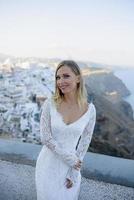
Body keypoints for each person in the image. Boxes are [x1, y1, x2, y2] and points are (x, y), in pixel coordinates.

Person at [35, 60, 96, 200]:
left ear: (78, 78)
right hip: (47, 166)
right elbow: (45, 138)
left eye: (66, 76)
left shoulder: (90, 110)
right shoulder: (49, 104)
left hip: (70, 169)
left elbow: (85, 142)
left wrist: (74, 172)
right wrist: (70, 158)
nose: (60, 81)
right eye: (58, 77)